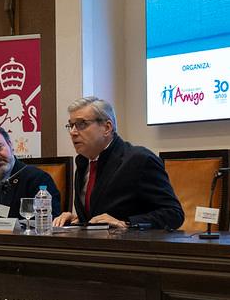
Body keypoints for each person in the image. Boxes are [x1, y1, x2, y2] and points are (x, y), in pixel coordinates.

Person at [53, 97, 184, 230]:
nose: (73, 132)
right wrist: (78, 220)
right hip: (94, 247)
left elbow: (173, 214)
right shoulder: (83, 162)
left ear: (107, 127)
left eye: (82, 124)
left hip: (129, 247)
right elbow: (98, 216)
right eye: (71, 125)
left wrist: (127, 223)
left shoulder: (139, 160)